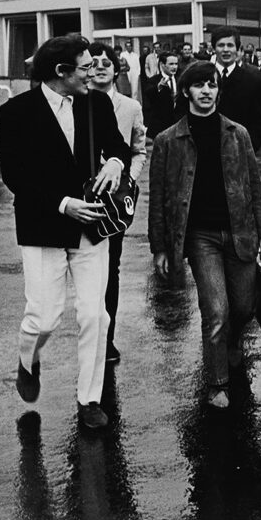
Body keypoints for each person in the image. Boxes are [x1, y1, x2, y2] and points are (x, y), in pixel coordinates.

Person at [0, 34, 132, 430]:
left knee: (96, 314)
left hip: (94, 224)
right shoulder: (17, 111)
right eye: (86, 66)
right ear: (61, 72)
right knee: (45, 318)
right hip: (44, 223)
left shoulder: (97, 103)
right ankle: (29, 358)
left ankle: (89, 399)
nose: (95, 72)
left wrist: (116, 165)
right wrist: (62, 203)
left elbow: (119, 147)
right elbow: (14, 175)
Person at [148, 61, 261, 410]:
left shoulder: (238, 134)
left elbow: (255, 187)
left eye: (212, 85)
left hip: (240, 233)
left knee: (244, 306)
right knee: (216, 309)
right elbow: (158, 198)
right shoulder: (167, 141)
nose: (206, 91)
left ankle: (232, 342)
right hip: (200, 237)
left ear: (219, 90)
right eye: (199, 85)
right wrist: (159, 247)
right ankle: (217, 383)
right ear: (186, 90)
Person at [87, 41, 147, 364]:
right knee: (86, 268)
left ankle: (107, 340)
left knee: (111, 266)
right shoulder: (76, 104)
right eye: (93, 62)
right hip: (82, 197)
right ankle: (89, 334)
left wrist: (129, 180)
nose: (99, 67)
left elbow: (139, 149)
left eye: (105, 63)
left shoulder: (130, 107)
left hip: (114, 200)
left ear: (115, 69)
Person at [209, 25, 261, 151]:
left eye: (230, 45)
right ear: (214, 48)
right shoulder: (201, 77)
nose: (226, 50)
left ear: (237, 48)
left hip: (239, 154)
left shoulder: (253, 80)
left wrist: (247, 149)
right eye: (221, 45)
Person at [142, 51, 180, 137]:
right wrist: (158, 87)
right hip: (160, 128)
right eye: (171, 64)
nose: (174, 67)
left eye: (176, 64)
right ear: (162, 65)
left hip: (178, 126)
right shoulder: (153, 81)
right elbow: (148, 96)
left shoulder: (181, 79)